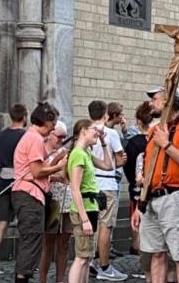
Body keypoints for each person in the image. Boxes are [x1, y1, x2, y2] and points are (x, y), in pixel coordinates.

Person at [131, 88, 179, 283]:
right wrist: (140, 203)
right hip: (151, 199)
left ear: (168, 102)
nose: (150, 104)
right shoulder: (154, 130)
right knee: (156, 254)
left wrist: (167, 145)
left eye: (154, 99)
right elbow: (149, 170)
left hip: (175, 197)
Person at [10, 103, 67, 283]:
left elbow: (40, 168)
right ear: (46, 120)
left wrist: (55, 161)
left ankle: (23, 276)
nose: (53, 128)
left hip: (30, 194)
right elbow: (36, 172)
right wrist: (58, 166)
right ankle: (22, 278)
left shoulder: (32, 138)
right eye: (53, 123)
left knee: (31, 241)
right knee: (31, 242)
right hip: (29, 195)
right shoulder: (34, 138)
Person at [85, 101, 128, 281]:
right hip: (108, 184)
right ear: (105, 114)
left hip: (91, 183)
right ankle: (104, 266)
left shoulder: (86, 131)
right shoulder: (110, 133)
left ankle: (89, 262)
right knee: (105, 227)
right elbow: (118, 160)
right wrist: (122, 159)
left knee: (92, 226)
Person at [0, 104, 31, 276]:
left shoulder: (3, 134)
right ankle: (24, 262)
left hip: (3, 180)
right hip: (20, 182)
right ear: (24, 117)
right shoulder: (26, 136)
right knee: (25, 223)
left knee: (3, 221)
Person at [67, 120, 104, 283]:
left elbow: (108, 165)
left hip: (91, 207)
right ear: (83, 131)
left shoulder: (86, 152)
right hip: (84, 211)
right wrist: (84, 219)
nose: (97, 131)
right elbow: (75, 188)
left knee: (87, 257)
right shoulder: (79, 154)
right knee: (81, 258)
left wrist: (102, 143)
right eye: (94, 129)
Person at [41, 122, 73, 283]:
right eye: (59, 136)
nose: (62, 140)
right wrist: (56, 161)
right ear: (50, 134)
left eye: (64, 137)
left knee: (65, 243)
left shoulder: (65, 150)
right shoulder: (42, 149)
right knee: (49, 243)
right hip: (52, 200)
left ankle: (60, 279)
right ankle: (43, 279)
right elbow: (40, 174)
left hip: (67, 200)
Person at [122, 101, 153, 257]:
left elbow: (126, 166)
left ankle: (137, 248)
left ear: (139, 121)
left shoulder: (133, 143)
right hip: (156, 187)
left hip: (137, 187)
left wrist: (133, 180)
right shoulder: (158, 141)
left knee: (136, 220)